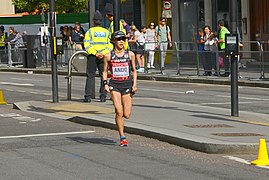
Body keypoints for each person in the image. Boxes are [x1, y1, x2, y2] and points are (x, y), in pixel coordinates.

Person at [102, 30, 137, 147]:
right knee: (118, 110)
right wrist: (105, 84)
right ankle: (122, 137)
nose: (121, 41)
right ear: (113, 41)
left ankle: (120, 120)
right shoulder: (108, 55)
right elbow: (104, 71)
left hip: (127, 84)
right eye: (118, 39)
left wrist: (134, 84)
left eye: (123, 39)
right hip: (115, 85)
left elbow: (134, 70)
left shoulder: (130, 55)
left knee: (126, 114)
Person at [83, 10, 112, 103]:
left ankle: (88, 96)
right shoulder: (106, 32)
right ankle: (103, 96)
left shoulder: (90, 32)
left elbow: (86, 45)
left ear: (94, 21)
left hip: (92, 56)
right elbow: (110, 45)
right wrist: (103, 53)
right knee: (103, 75)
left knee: (90, 76)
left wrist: (95, 53)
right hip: (103, 56)